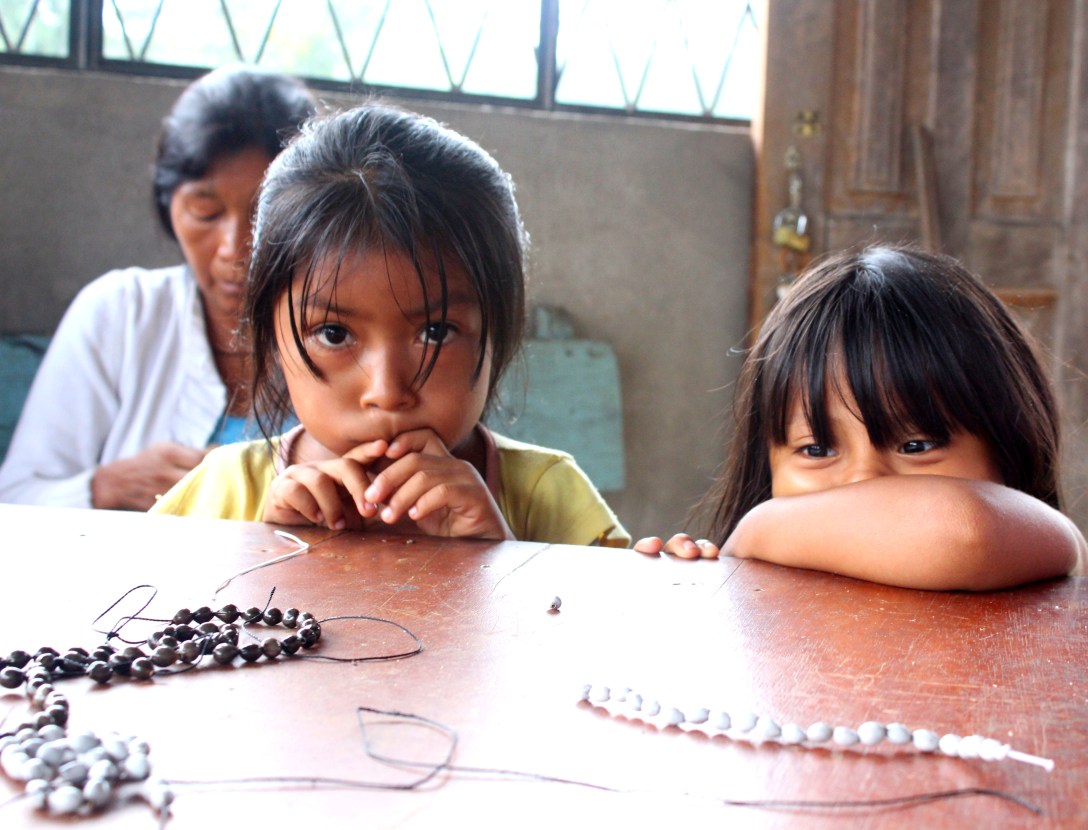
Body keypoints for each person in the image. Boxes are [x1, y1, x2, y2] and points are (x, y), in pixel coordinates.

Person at [151, 104, 629, 547]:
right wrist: (257, 556)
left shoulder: (549, 495)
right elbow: (128, 615)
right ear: (272, 336)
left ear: (498, 330)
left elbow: (619, 632)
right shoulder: (223, 493)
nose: (387, 391)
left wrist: (495, 555)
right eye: (334, 334)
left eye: (436, 332)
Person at [635, 245, 1087, 590]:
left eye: (916, 445)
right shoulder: (774, 574)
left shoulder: (1044, 543)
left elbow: (964, 531)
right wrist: (707, 584)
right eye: (816, 449)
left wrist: (755, 532)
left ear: (1010, 445)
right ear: (766, 467)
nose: (864, 484)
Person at [0, 66, 317, 511]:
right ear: (169, 207)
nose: (235, 247)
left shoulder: (343, 329)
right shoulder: (120, 312)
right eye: (205, 212)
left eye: (264, 217)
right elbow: (13, 498)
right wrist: (101, 489)